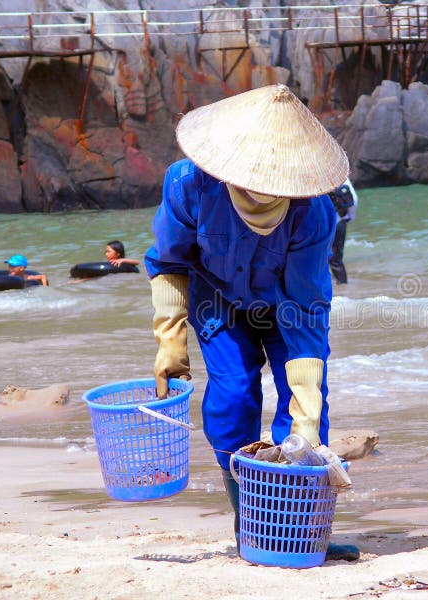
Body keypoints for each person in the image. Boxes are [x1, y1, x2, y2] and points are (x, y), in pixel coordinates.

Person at [144, 84, 358, 561]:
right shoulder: (187, 184)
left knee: (304, 418)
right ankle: (251, 528)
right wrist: (170, 341)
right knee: (231, 397)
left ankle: (300, 532)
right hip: (215, 301)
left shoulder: (313, 210)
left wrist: (305, 417)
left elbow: (303, 309)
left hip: (289, 309)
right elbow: (169, 261)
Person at [327, 178, 357, 284]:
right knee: (336, 260)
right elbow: (354, 200)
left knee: (318, 259)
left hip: (322, 224)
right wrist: (349, 217)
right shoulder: (342, 177)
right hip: (340, 221)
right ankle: (342, 286)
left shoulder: (316, 180)